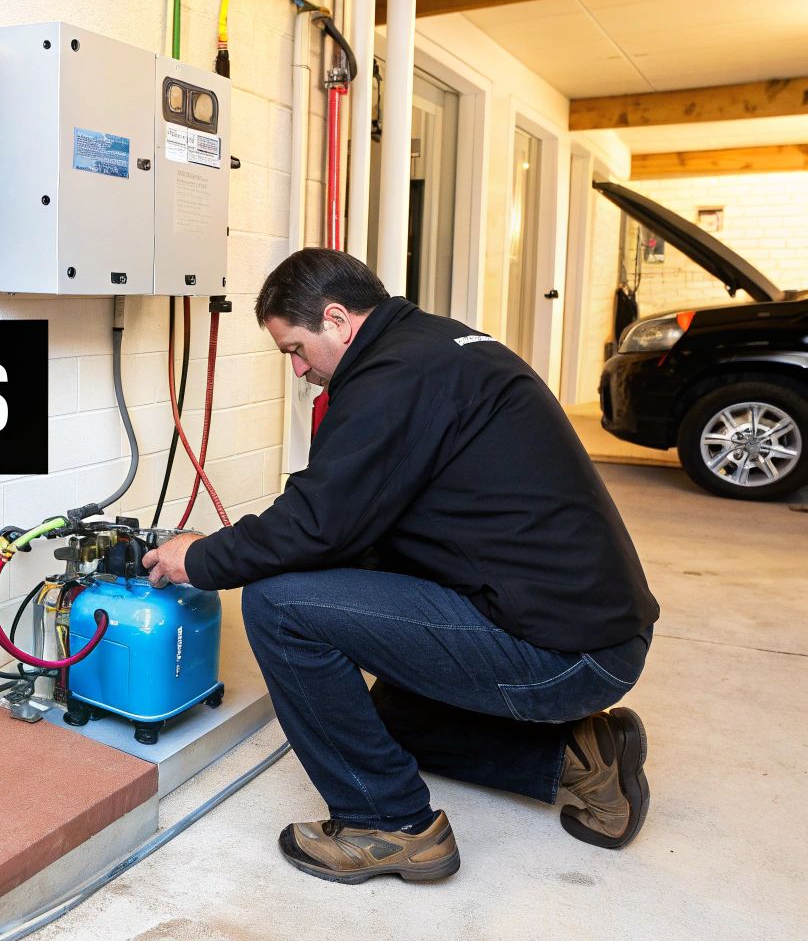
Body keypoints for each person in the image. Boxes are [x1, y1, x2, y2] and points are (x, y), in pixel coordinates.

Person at [142, 248, 659, 885]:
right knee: (377, 721)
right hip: (594, 635)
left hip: (563, 656)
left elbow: (318, 524)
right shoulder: (435, 347)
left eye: (297, 350)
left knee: (277, 605)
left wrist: (199, 556)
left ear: (337, 319)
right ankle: (580, 757)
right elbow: (355, 524)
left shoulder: (393, 379)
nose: (300, 370)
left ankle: (386, 824)